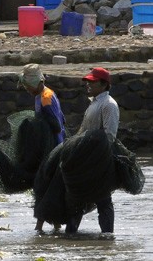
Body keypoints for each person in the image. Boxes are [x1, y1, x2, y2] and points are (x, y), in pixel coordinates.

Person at [67, 67, 119, 234]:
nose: (88, 85)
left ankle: (107, 236)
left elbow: (109, 136)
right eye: (87, 82)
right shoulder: (94, 103)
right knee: (78, 198)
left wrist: (93, 155)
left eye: (92, 82)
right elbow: (83, 130)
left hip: (100, 160)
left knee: (103, 200)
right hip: (86, 158)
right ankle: (71, 234)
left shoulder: (109, 105)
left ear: (104, 85)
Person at [18, 63, 66, 232]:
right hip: (51, 147)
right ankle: (55, 225)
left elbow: (56, 125)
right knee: (49, 187)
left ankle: (41, 226)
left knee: (43, 187)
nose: (26, 89)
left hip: (53, 147)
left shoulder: (46, 97)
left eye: (27, 85)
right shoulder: (41, 95)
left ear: (38, 82)